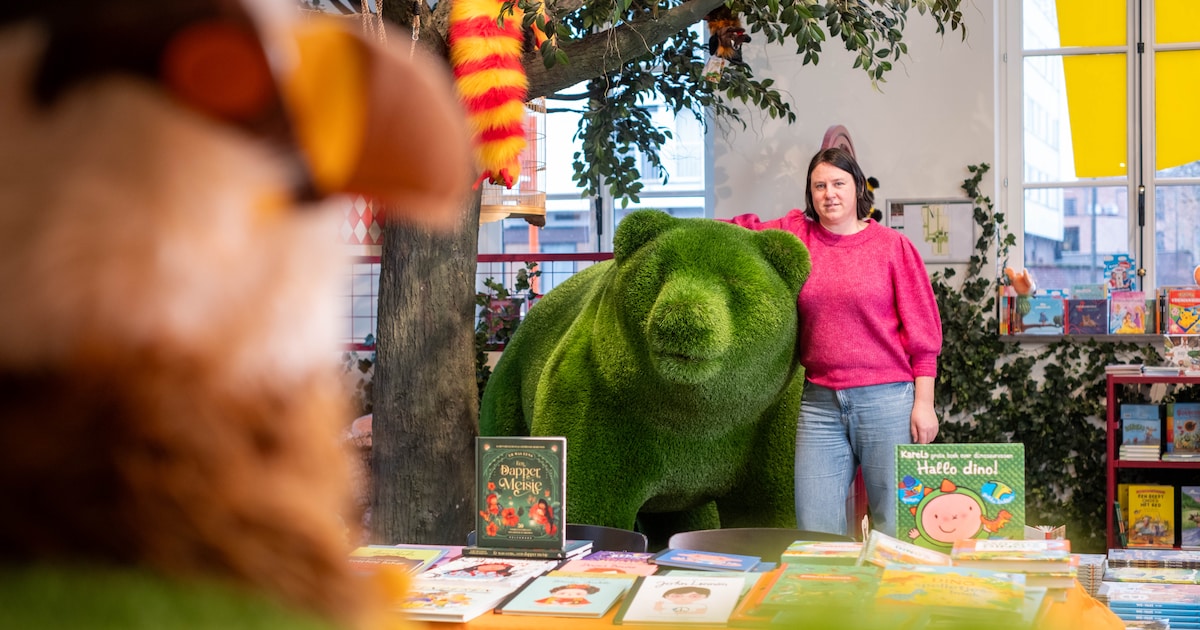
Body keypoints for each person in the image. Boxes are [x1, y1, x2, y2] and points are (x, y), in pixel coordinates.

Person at [724, 147, 942, 538]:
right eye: (819, 186)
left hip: (887, 401)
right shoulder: (796, 236)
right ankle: (830, 599)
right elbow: (739, 232)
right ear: (811, 194)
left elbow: (924, 337)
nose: (830, 194)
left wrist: (924, 404)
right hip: (820, 403)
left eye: (839, 183)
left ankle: (893, 599)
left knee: (895, 525)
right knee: (815, 527)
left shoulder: (893, 247)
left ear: (858, 187)